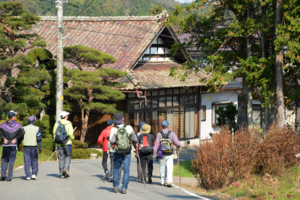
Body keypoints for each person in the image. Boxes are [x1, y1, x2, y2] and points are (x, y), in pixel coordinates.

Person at [110, 113, 137, 194]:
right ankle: (124, 188)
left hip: (117, 151)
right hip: (127, 151)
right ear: (123, 119)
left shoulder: (113, 129)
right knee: (126, 170)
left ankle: (115, 186)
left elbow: (112, 141)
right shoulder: (129, 127)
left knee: (116, 169)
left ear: (115, 120)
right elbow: (134, 139)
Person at [154, 120, 181, 187]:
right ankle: (169, 181)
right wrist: (179, 145)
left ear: (162, 126)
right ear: (168, 126)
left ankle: (162, 181)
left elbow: (156, 146)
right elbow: (177, 143)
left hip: (162, 153)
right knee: (169, 167)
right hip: (170, 153)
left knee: (162, 167)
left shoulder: (159, 134)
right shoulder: (172, 134)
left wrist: (156, 155)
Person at [0, 110, 25, 181]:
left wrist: (3, 138)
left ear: (8, 117)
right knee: (12, 160)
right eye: (15, 116)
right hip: (13, 145)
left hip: (5, 145)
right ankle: (9, 177)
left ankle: (3, 175)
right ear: (13, 117)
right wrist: (16, 138)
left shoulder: (3, 125)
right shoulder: (18, 125)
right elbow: (23, 132)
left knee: (4, 159)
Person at [53, 111, 74, 179]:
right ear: (65, 116)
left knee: (61, 158)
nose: (67, 116)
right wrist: (72, 138)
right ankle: (66, 168)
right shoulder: (69, 123)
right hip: (67, 143)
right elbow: (70, 133)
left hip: (58, 143)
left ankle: (61, 174)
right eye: (67, 115)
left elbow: (54, 132)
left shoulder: (57, 123)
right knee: (68, 156)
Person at [22, 116, 42, 180]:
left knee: (27, 161)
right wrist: (40, 147)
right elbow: (39, 139)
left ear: (28, 121)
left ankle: (27, 175)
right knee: (34, 160)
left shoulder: (23, 128)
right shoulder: (37, 128)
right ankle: (34, 174)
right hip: (34, 146)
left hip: (26, 147)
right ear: (34, 121)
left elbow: (20, 137)